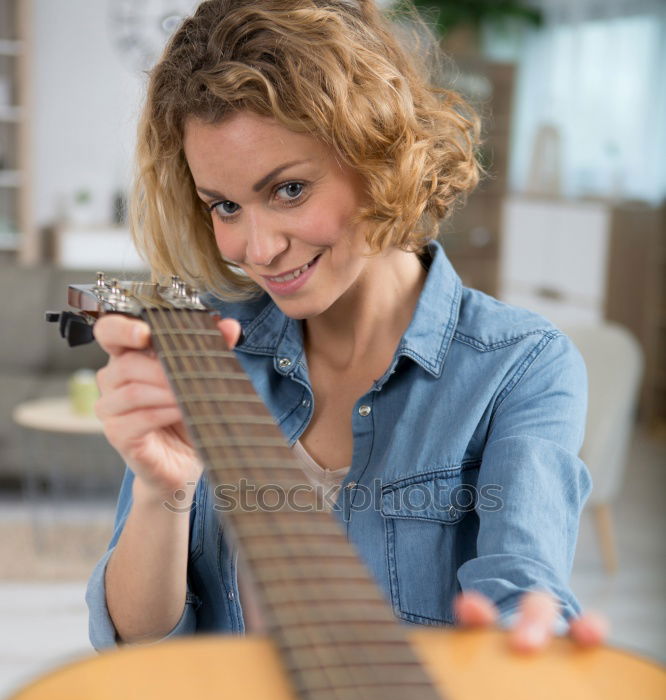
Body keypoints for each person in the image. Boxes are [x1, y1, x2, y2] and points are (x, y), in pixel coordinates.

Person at [86, 0, 606, 652]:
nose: (258, 247)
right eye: (225, 205)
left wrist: (534, 641)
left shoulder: (518, 367)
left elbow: (525, 588)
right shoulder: (207, 351)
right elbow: (138, 645)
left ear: (377, 153)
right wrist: (166, 488)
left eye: (289, 190)